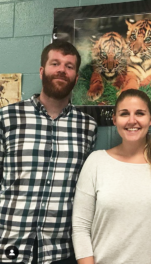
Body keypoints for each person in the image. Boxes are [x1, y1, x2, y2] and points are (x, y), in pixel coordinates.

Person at [0, 40, 98, 264]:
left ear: (75, 77)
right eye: (55, 63)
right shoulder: (7, 117)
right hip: (10, 245)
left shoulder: (88, 127)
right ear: (42, 71)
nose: (62, 70)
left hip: (60, 249)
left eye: (69, 66)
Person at [72, 89, 151, 264]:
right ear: (115, 120)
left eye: (140, 113)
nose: (132, 120)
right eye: (124, 114)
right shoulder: (96, 162)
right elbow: (80, 228)